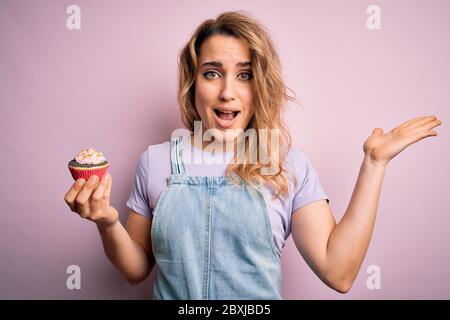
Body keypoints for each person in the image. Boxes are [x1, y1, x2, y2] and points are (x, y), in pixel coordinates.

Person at [63, 11, 442, 300]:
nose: (228, 91)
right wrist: (108, 222)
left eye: (244, 75)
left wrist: (374, 165)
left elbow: (338, 273)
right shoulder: (156, 161)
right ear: (193, 82)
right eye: (212, 73)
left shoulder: (286, 164)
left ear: (261, 85)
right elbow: (135, 271)